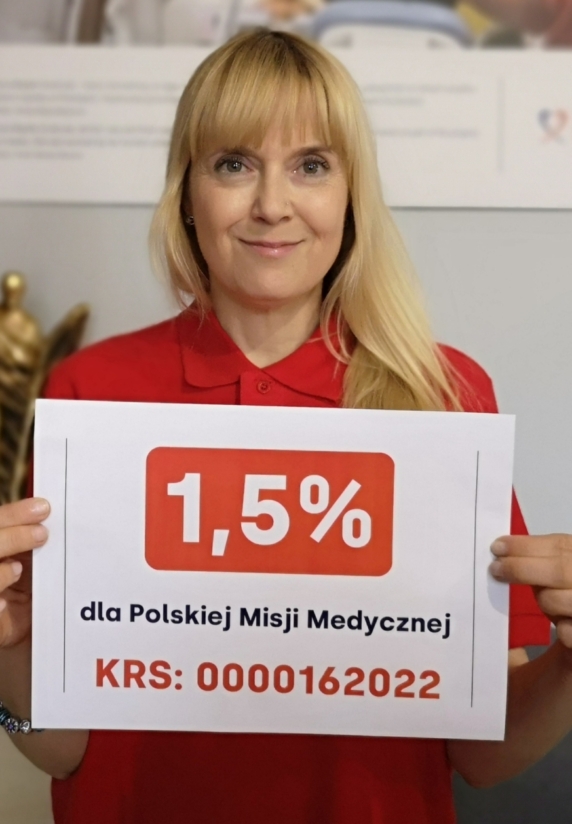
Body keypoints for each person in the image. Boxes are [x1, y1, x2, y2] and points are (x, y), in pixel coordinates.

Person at [0, 28, 572, 824]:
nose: (272, 204)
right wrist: (7, 649)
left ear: (350, 196)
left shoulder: (443, 395)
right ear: (188, 193)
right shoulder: (89, 392)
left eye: (311, 165)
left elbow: (483, 753)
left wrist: (570, 665)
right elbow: (65, 747)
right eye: (234, 164)